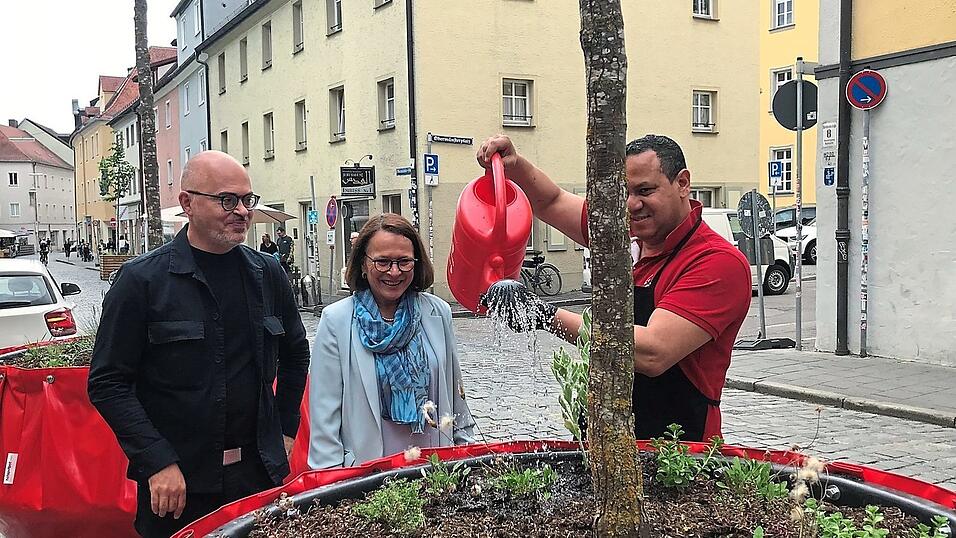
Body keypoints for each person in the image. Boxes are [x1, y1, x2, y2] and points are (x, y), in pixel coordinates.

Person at [88, 150, 310, 538]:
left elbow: (296, 353)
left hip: (258, 476)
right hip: (178, 485)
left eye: (247, 200)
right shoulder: (141, 282)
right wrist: (156, 461)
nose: (242, 211)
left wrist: (286, 429)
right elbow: (108, 382)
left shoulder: (268, 273)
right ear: (187, 202)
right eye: (228, 200)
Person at [476, 134, 751, 442]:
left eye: (645, 190)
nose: (632, 205)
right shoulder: (621, 238)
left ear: (683, 183)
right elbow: (552, 202)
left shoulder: (716, 262)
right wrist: (515, 166)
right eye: (625, 193)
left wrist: (543, 315)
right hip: (606, 441)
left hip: (676, 450)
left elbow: (652, 352)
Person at [308, 213, 476, 469]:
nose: (394, 272)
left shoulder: (437, 313)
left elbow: (456, 398)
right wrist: (336, 482)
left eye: (404, 262)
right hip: (369, 476)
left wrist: (465, 457)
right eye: (383, 262)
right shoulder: (337, 321)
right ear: (363, 264)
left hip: (435, 471)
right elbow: (324, 418)